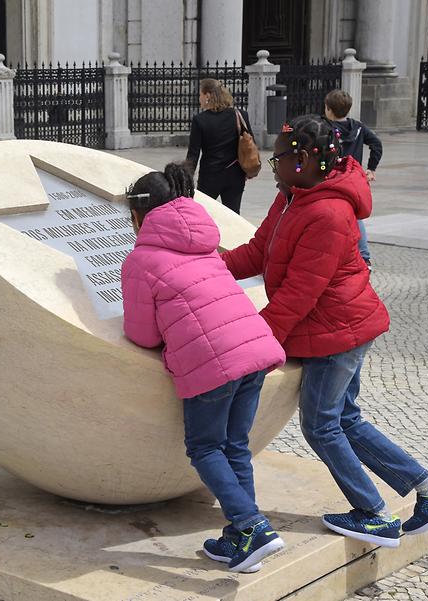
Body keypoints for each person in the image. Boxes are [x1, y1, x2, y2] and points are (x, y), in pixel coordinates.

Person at [221, 115, 428, 548]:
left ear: (308, 158)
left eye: (280, 158)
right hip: (334, 325)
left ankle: (373, 513)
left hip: (337, 332)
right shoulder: (294, 194)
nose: (274, 166)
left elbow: (300, 293)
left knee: (321, 426)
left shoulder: (329, 211)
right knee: (345, 418)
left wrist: (256, 341)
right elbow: (259, 251)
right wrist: (208, 270)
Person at [121, 162, 287, 572]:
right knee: (235, 446)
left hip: (211, 363)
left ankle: (253, 526)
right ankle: (240, 536)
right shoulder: (202, 243)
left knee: (204, 447)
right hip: (254, 351)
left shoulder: (142, 259)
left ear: (140, 213)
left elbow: (143, 335)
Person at [324, 89, 383, 270]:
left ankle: (331, 253)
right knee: (355, 216)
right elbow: (377, 144)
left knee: (329, 215)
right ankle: (364, 257)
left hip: (333, 177)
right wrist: (371, 168)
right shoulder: (358, 127)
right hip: (354, 178)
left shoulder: (326, 128)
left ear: (329, 110)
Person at [185, 78, 253, 214]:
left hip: (210, 176)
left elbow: (193, 154)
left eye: (200, 94)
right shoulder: (240, 115)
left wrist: (187, 178)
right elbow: (251, 143)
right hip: (235, 174)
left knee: (203, 214)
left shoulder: (200, 120)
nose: (199, 98)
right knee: (233, 215)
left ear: (208, 96)